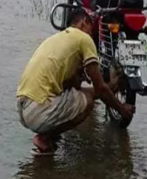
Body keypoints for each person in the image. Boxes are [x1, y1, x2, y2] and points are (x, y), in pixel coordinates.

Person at [17, 8, 134, 155]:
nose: (92, 34)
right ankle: (45, 137)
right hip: (39, 111)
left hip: (23, 108)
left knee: (84, 96)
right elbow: (100, 90)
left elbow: (74, 87)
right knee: (88, 102)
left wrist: (81, 74)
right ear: (84, 22)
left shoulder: (57, 39)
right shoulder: (84, 39)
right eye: (91, 29)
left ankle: (46, 136)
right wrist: (122, 109)